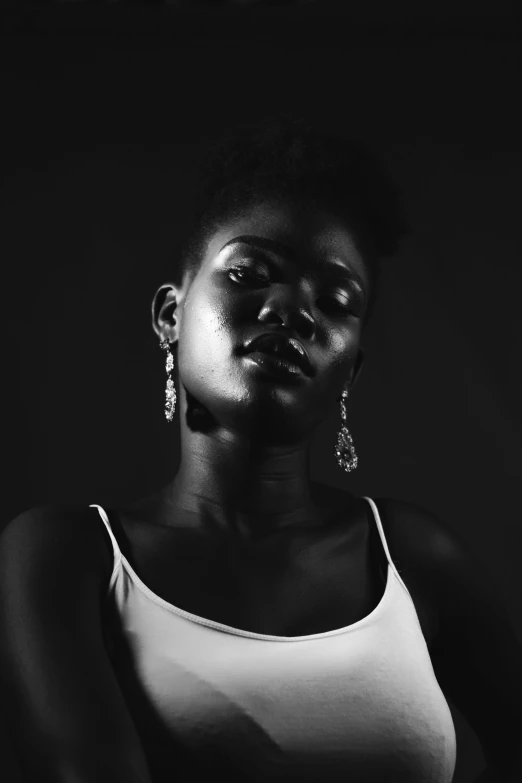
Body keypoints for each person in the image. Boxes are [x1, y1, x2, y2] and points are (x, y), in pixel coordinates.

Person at [1, 116, 521, 783]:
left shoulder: (411, 553)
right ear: (170, 316)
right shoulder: (66, 555)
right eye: (249, 272)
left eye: (335, 300)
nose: (293, 308)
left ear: (350, 370)